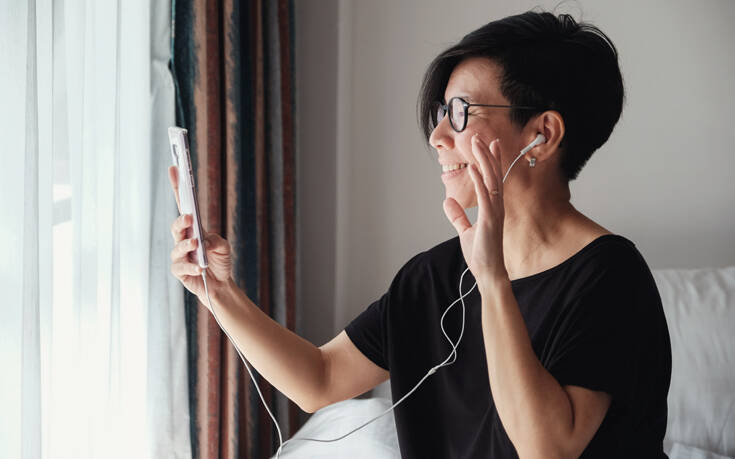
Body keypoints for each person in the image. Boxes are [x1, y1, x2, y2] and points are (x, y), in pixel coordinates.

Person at [169, 10, 672, 459]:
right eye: (442, 114)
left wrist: (493, 280)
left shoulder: (611, 277)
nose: (437, 137)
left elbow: (546, 449)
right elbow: (320, 379)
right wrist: (219, 292)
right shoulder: (432, 276)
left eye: (460, 112)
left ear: (542, 134)